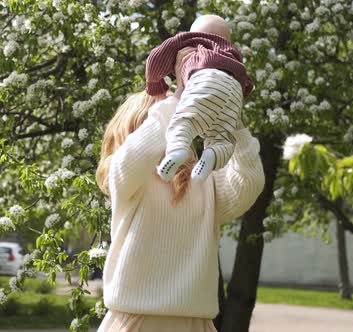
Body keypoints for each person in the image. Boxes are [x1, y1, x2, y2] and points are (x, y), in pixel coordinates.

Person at [94, 46, 265, 331]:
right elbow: (132, 158)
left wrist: (230, 114)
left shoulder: (203, 183)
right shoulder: (129, 182)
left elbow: (249, 181)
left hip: (196, 323)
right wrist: (177, 99)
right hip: (135, 321)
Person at [145, 15, 254, 183]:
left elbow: (155, 59)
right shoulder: (233, 55)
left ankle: (177, 150)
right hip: (234, 91)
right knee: (223, 138)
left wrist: (155, 84)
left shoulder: (188, 41)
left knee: (185, 121)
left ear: (193, 33)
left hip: (206, 78)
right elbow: (248, 84)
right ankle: (212, 155)